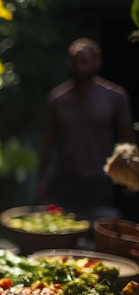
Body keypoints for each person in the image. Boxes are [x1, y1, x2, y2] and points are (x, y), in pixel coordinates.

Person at [36, 37, 136, 220]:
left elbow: (126, 139)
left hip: (100, 180)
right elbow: (47, 143)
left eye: (85, 63)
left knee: (97, 233)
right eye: (75, 63)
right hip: (65, 179)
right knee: (63, 230)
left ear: (97, 63)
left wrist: (130, 175)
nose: (79, 68)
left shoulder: (115, 96)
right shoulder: (57, 100)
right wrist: (41, 180)